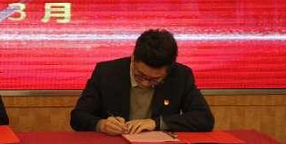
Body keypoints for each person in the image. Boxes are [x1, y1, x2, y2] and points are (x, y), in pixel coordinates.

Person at [70, 29, 214, 135]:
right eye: (140, 75)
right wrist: (101, 125)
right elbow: (78, 117)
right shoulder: (107, 72)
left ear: (169, 70)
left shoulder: (181, 75)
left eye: (154, 79)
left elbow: (204, 119)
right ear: (133, 58)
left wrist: (156, 123)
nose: (145, 83)